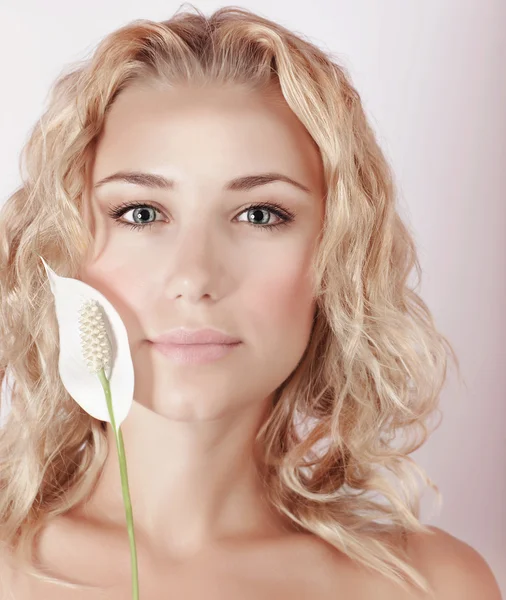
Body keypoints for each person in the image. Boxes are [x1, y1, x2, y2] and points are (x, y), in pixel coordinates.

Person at [0, 5, 501, 599]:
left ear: (336, 255)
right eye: (141, 213)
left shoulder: (431, 587)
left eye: (260, 214)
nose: (195, 277)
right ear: (65, 245)